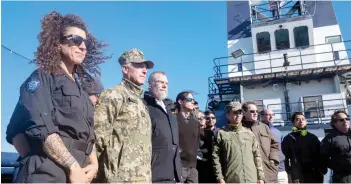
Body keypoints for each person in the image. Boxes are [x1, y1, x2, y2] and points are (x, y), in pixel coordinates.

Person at [5, 11, 109, 183]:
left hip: (79, 174)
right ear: (57, 44)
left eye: (86, 42)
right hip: (49, 173)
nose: (83, 46)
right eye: (76, 40)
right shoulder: (42, 77)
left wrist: (94, 165)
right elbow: (31, 129)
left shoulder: (82, 91)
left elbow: (88, 136)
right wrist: (39, 162)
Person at [94, 48, 154, 183]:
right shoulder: (114, 95)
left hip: (142, 178)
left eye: (145, 67)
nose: (144, 71)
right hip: (119, 179)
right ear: (125, 69)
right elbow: (98, 137)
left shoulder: (140, 102)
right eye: (139, 66)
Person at [212, 102, 264, 183]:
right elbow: (216, 157)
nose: (239, 115)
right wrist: (219, 177)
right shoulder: (221, 134)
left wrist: (260, 177)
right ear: (228, 115)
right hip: (232, 179)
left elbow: (257, 155)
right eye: (235, 113)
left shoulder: (249, 133)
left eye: (240, 113)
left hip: (251, 179)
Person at [143, 71, 182, 183]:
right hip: (154, 177)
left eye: (166, 83)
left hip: (175, 177)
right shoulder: (143, 107)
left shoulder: (170, 112)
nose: (164, 86)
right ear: (149, 85)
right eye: (160, 82)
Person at [282, 112, 325, 183]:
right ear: (293, 123)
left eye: (303, 119)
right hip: (297, 176)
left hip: (313, 174)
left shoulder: (312, 138)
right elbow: (285, 158)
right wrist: (288, 172)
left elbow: (320, 155)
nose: (301, 121)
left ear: (306, 122)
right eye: (298, 119)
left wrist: (322, 170)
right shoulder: (288, 139)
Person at [242, 101, 279, 183]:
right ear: (244, 112)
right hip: (250, 172)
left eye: (256, 111)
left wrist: (273, 160)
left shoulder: (264, 127)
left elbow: (274, 144)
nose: (255, 113)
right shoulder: (240, 128)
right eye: (252, 111)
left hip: (268, 170)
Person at [175, 91, 200, 183]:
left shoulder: (195, 122)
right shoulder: (173, 119)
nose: (192, 102)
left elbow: (197, 142)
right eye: (189, 99)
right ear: (180, 102)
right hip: (178, 165)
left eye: (193, 100)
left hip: (193, 166)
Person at [321, 110, 351, 183]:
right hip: (343, 178)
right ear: (334, 123)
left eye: (347, 119)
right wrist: (338, 166)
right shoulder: (329, 139)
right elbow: (322, 158)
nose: (345, 121)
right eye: (341, 120)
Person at [261, 109, 288, 184]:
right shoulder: (258, 131)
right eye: (268, 115)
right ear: (262, 117)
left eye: (272, 115)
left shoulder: (278, 132)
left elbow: (282, 151)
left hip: (281, 170)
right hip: (267, 171)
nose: (271, 117)